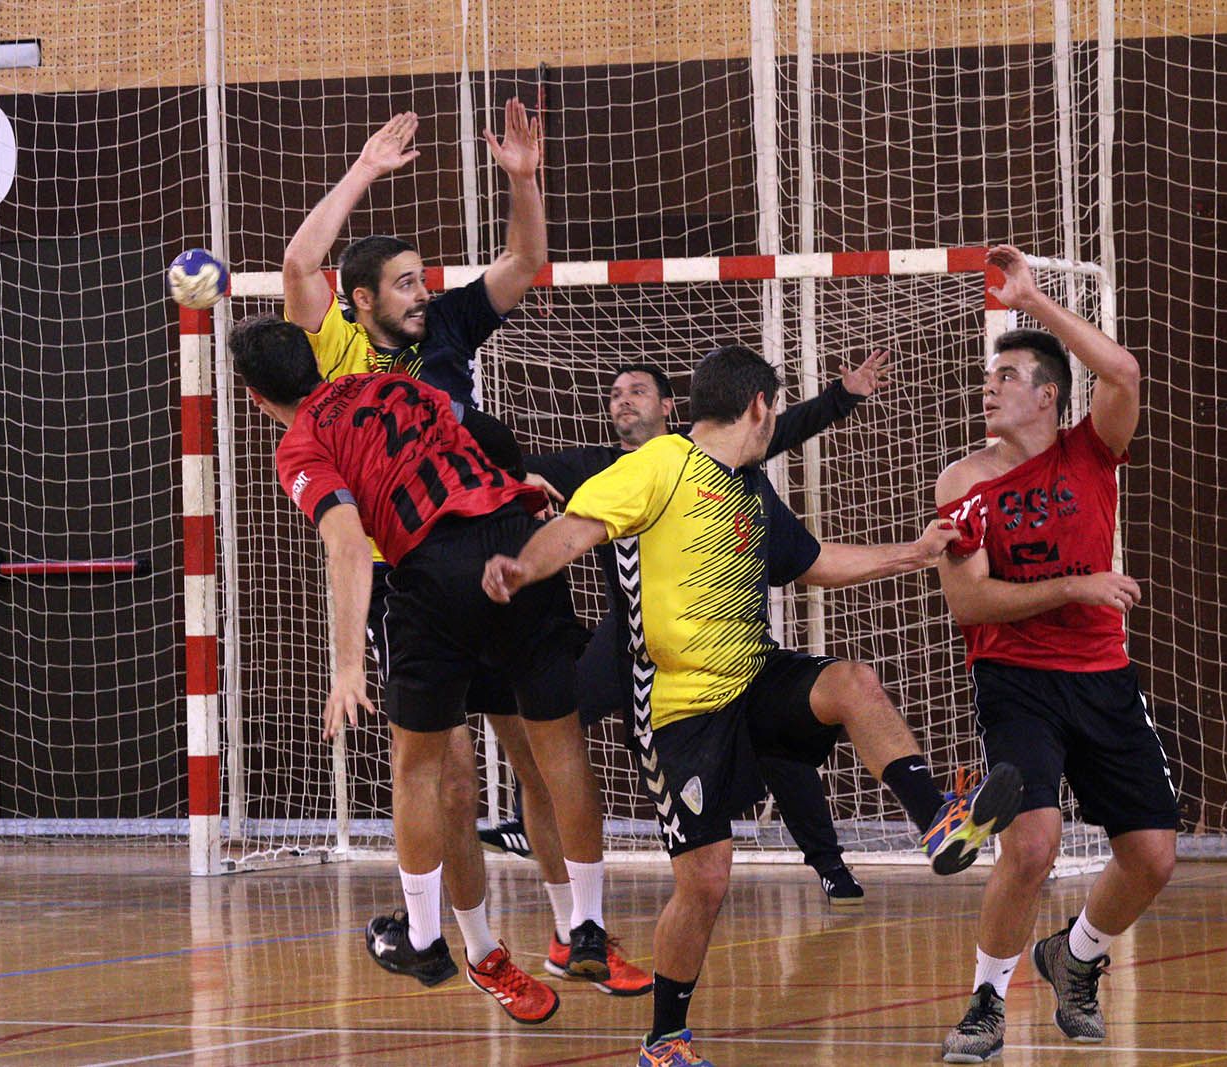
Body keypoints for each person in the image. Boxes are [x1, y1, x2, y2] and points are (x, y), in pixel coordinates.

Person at [483, 345, 1024, 1067]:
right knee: (704, 879)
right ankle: (664, 1039)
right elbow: (578, 528)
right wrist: (524, 566)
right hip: (679, 708)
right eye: (777, 407)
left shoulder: (748, 485)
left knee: (852, 683)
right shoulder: (658, 464)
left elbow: (814, 562)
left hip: (753, 674)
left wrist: (914, 552)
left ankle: (938, 821)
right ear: (761, 406)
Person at [278, 103, 644, 1000]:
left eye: (422, 279)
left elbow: (523, 264)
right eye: (405, 282)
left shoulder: (446, 330)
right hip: (412, 575)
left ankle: (575, 932)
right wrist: (363, 168)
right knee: (442, 775)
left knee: (535, 750)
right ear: (363, 300)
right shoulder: (334, 352)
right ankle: (480, 949)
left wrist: (522, 179)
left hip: (490, 552)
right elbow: (297, 262)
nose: (422, 292)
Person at [230, 314, 615, 1026]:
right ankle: (546, 933)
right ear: (315, 356)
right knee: (539, 749)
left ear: (253, 397)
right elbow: (475, 437)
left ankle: (428, 937)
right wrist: (519, 480)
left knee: (424, 767)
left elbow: (347, 546)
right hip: (517, 544)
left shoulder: (301, 441)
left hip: (431, 571)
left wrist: (346, 668)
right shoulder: (398, 385)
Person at [481, 354, 897, 907]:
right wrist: (512, 478)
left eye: (637, 390)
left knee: (778, 746)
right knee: (557, 712)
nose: (624, 399)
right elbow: (521, 477)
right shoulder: (596, 465)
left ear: (671, 406)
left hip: (715, 640)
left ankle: (828, 862)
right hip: (631, 637)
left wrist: (841, 397)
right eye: (615, 393)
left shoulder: (705, 453)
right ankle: (528, 819)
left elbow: (778, 427)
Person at [935, 245, 1178, 1063]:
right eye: (988, 377)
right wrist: (1073, 585)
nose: (989, 387)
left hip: (1103, 676)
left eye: (1007, 378)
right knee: (1032, 843)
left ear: (1046, 394)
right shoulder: (962, 481)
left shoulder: (1090, 447)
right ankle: (986, 1001)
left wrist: (1032, 301)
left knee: (1152, 856)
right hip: (1016, 679)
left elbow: (1125, 369)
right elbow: (968, 602)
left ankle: (1073, 958)